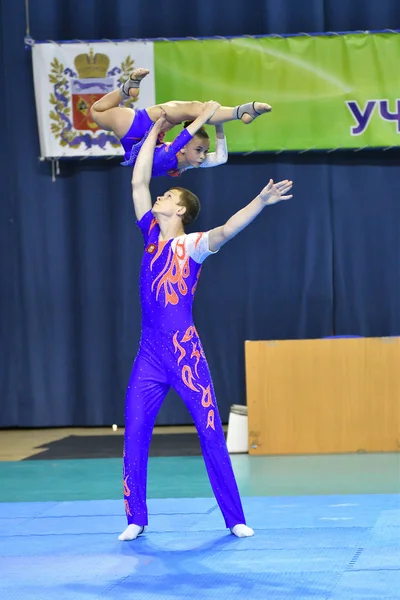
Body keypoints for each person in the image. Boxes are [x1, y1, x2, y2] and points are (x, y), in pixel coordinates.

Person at [119, 113, 293, 542]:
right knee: (135, 433)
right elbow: (139, 183)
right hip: (149, 355)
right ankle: (135, 518)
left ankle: (233, 517)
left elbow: (228, 229)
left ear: (180, 210)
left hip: (184, 354)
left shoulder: (190, 246)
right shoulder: (150, 236)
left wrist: (260, 202)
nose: (160, 194)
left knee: (210, 431)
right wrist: (154, 137)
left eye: (169, 194)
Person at [90, 68, 271, 176]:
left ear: (184, 148)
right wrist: (218, 123)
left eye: (202, 151)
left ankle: (126, 89)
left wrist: (206, 116)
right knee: (192, 108)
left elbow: (186, 136)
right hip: (154, 131)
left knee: (96, 111)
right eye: (201, 151)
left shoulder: (171, 157)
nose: (202, 156)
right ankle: (242, 111)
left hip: (133, 132)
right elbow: (221, 158)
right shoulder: (187, 162)